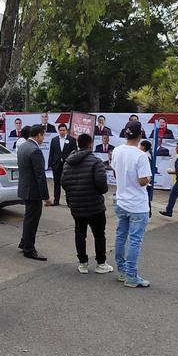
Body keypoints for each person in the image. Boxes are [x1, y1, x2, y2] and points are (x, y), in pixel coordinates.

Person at [60, 133, 113, 275]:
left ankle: (82, 263)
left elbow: (64, 182)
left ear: (78, 144)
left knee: (79, 234)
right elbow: (102, 186)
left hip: (76, 205)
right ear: (90, 144)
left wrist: (74, 193)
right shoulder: (96, 162)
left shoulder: (68, 161)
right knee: (99, 235)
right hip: (95, 206)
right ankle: (101, 264)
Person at [110, 120, 153, 288]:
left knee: (121, 236)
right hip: (137, 205)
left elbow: (114, 170)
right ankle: (131, 276)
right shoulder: (141, 155)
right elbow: (143, 181)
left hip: (121, 201)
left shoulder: (117, 151)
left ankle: (122, 271)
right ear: (140, 135)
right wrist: (148, 178)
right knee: (135, 240)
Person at [16, 124, 52, 260]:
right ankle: (29, 249)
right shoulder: (35, 150)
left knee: (29, 218)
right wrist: (46, 197)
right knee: (32, 219)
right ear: (38, 135)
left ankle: (24, 242)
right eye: (43, 135)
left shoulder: (23, 146)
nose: (43, 138)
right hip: (33, 190)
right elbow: (40, 175)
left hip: (25, 188)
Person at [48, 123, 76, 205]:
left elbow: (74, 153)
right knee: (56, 183)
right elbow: (51, 152)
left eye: (64, 130)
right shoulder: (54, 140)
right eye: (60, 130)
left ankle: (69, 202)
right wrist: (50, 164)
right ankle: (56, 201)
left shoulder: (72, 140)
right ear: (58, 131)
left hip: (68, 165)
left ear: (66, 131)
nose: (62, 132)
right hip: (56, 165)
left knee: (67, 183)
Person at [158, 143, 178, 218]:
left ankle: (169, 211)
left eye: (176, 148)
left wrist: (171, 172)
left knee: (173, 195)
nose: (175, 149)